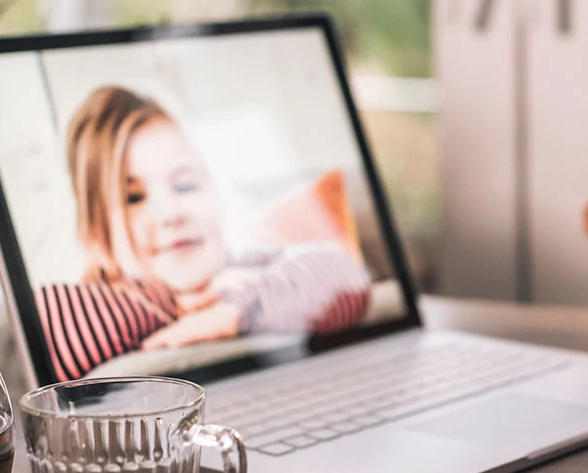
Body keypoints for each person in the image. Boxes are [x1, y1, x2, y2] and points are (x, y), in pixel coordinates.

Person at [35, 86, 372, 381]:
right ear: (97, 232)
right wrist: (170, 303)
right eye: (133, 198)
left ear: (214, 194)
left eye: (186, 185)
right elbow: (47, 325)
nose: (171, 213)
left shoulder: (243, 269)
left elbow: (346, 276)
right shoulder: (100, 300)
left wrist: (236, 308)